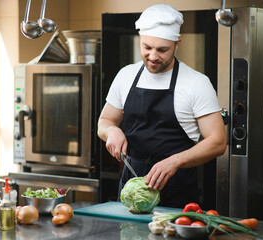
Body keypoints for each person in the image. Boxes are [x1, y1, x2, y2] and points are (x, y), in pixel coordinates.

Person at [97, 4, 226, 208]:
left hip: (177, 190)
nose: (153, 56)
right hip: (132, 189)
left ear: (177, 44)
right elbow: (105, 121)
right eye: (147, 47)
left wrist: (174, 161)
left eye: (162, 49)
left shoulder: (196, 83)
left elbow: (218, 142)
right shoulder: (126, 76)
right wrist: (112, 131)